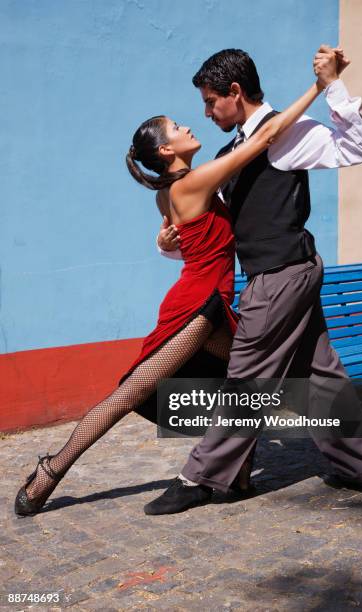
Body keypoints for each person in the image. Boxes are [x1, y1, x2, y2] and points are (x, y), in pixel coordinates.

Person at [14, 62, 325, 517]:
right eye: (178, 127)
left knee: (250, 380)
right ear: (166, 148)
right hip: (197, 308)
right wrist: (318, 86)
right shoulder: (194, 183)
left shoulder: (173, 191)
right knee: (132, 391)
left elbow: (197, 234)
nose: (189, 125)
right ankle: (51, 469)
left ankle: (238, 465)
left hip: (211, 301)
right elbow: (262, 138)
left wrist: (164, 242)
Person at [144, 45, 362, 516]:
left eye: (211, 102)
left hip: (280, 275)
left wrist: (332, 85)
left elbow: (357, 148)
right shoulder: (228, 152)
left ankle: (201, 477)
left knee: (247, 375)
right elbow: (210, 229)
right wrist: (167, 241)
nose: (207, 112)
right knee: (317, 375)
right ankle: (361, 468)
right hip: (281, 273)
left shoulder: (290, 133)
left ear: (235, 92)